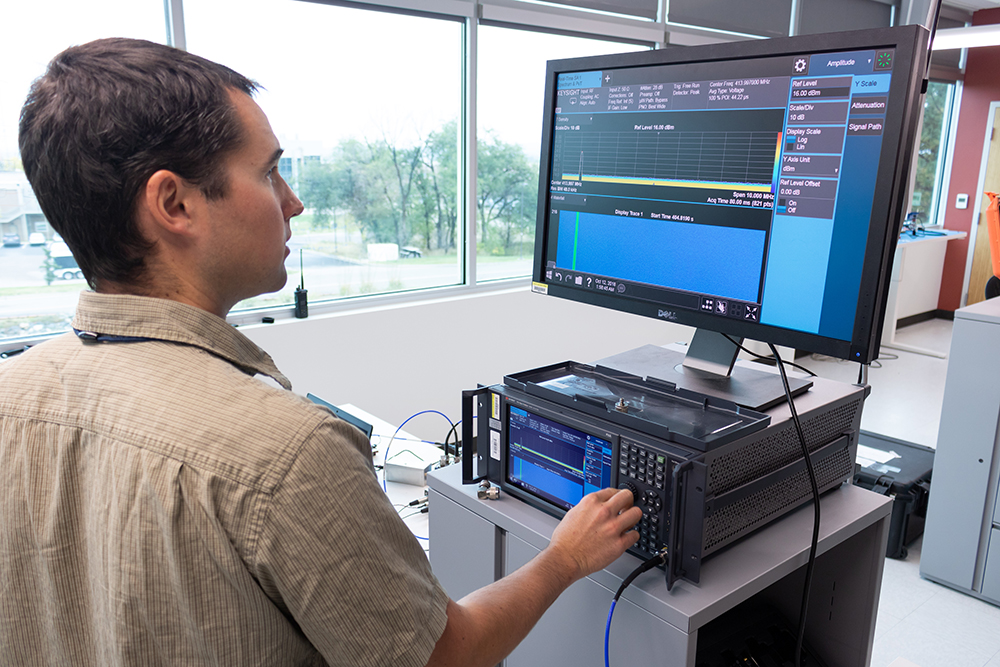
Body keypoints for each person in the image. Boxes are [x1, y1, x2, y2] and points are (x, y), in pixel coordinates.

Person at [0, 38, 642, 666]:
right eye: (268, 171)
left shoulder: (10, 397)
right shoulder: (287, 452)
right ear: (175, 203)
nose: (293, 202)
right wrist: (566, 558)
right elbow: (446, 657)